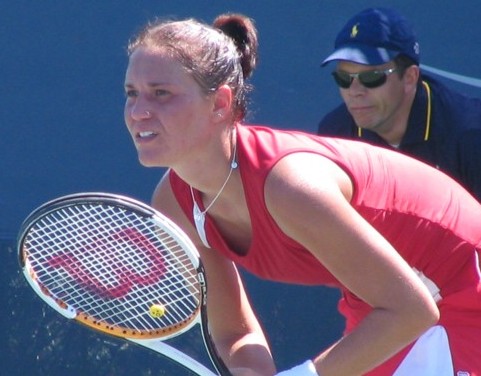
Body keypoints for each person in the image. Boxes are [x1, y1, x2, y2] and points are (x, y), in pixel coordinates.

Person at [123, 13, 481, 376]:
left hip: (462, 278)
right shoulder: (173, 204)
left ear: (219, 104)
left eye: (161, 94)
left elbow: (411, 311)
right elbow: (234, 331)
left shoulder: (289, 187)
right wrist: (250, 370)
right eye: (131, 93)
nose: (138, 112)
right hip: (383, 297)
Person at [318, 7, 481, 203]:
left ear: (410, 77)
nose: (354, 91)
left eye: (371, 77)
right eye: (344, 78)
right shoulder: (336, 135)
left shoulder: (470, 135)